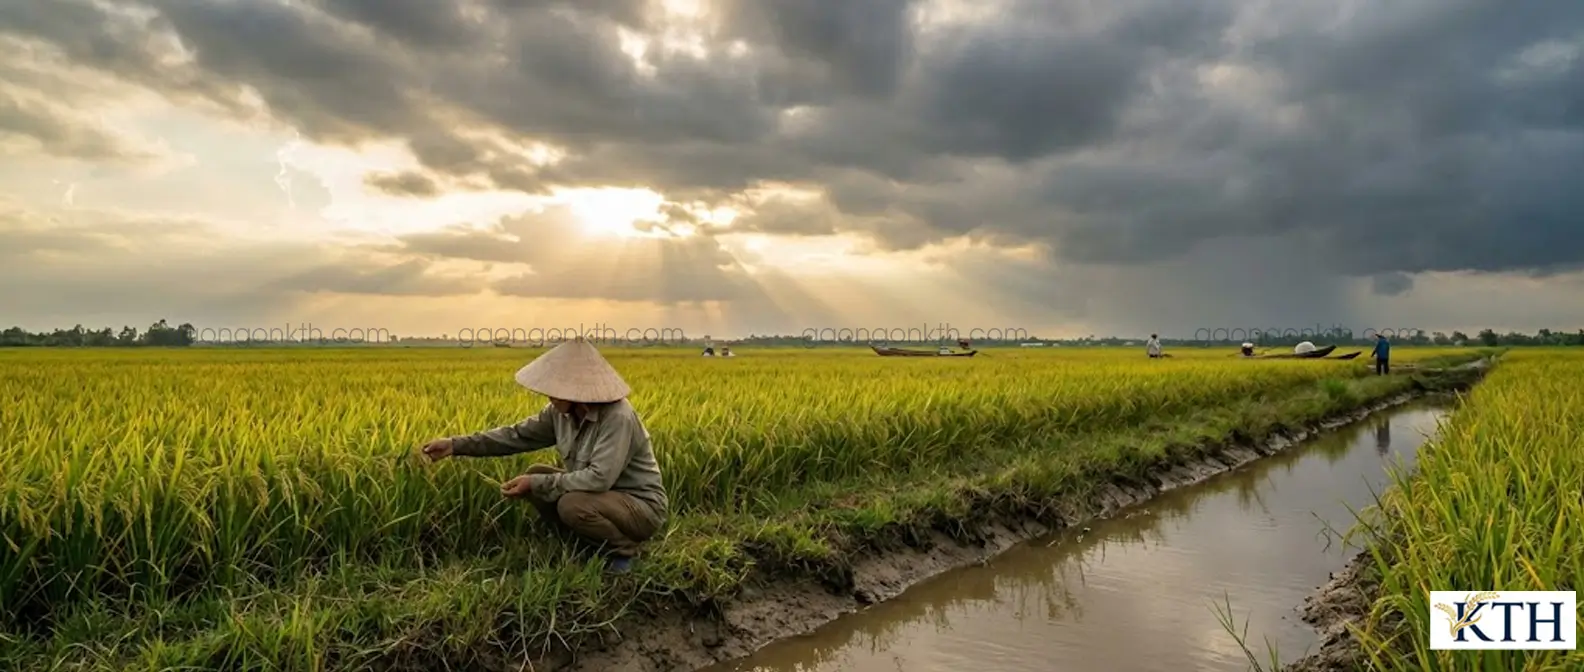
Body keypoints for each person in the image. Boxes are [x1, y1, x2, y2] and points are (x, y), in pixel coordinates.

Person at [419, 337, 667, 574]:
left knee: (569, 502)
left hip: (639, 507)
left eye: (556, 390)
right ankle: (581, 544)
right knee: (536, 474)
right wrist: (455, 445)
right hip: (602, 498)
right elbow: (515, 435)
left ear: (576, 391)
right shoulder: (559, 413)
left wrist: (537, 484)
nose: (549, 395)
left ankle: (623, 551)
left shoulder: (617, 417)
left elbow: (599, 479)